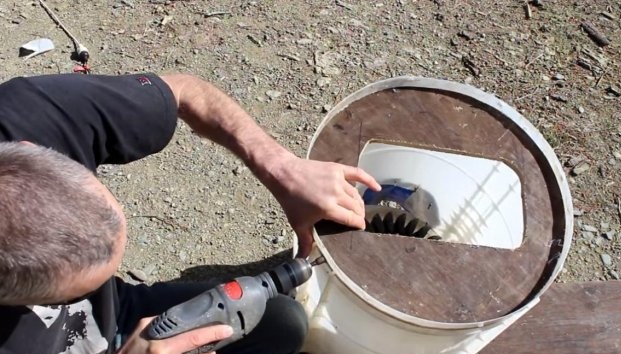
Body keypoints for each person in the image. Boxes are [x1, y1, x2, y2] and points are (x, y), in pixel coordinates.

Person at [0, 73, 380, 354]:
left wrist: (281, 167)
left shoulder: (24, 113)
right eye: (75, 291)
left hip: (125, 316)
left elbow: (183, 92)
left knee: (281, 322)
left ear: (34, 148)